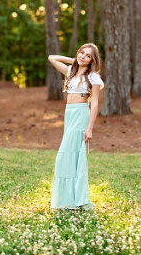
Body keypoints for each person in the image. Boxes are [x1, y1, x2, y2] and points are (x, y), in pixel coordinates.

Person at [48, 43, 105, 209]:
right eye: (82, 53)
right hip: (69, 114)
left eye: (88, 56)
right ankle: (68, 200)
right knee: (69, 156)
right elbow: (52, 58)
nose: (83, 57)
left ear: (92, 61)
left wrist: (90, 128)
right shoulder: (70, 72)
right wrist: (74, 60)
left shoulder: (93, 77)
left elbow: (94, 103)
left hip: (81, 115)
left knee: (66, 156)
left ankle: (75, 199)